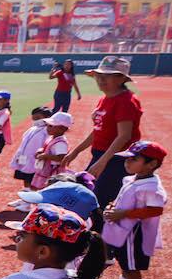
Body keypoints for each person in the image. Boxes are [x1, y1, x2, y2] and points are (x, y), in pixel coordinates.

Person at [61, 57, 143, 227]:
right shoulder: (105, 99)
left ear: (121, 79)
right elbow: (98, 129)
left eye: (108, 76)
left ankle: (100, 245)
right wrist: (76, 151)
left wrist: (102, 162)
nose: (101, 80)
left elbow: (124, 136)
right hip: (101, 156)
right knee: (88, 195)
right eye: (99, 76)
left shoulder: (126, 101)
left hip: (118, 160)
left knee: (98, 201)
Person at [97, 141, 168, 279]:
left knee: (132, 268)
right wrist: (112, 206)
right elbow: (123, 199)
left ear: (151, 164)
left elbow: (155, 210)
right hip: (125, 231)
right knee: (125, 265)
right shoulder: (133, 178)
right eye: (127, 159)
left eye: (133, 159)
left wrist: (124, 213)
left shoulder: (151, 187)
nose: (127, 163)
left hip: (135, 234)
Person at [8, 107, 52, 199]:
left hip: (35, 160)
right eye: (34, 118)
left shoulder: (47, 131)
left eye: (38, 118)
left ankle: (29, 202)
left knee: (33, 180)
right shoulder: (33, 129)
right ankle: (25, 198)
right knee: (25, 178)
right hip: (24, 157)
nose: (35, 120)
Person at [29, 112, 73, 191]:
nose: (47, 128)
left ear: (63, 129)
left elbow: (61, 157)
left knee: (49, 189)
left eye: (51, 126)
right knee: (40, 188)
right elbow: (49, 148)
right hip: (46, 170)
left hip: (53, 172)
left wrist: (45, 156)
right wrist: (41, 151)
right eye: (47, 125)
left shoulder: (60, 143)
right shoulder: (52, 138)